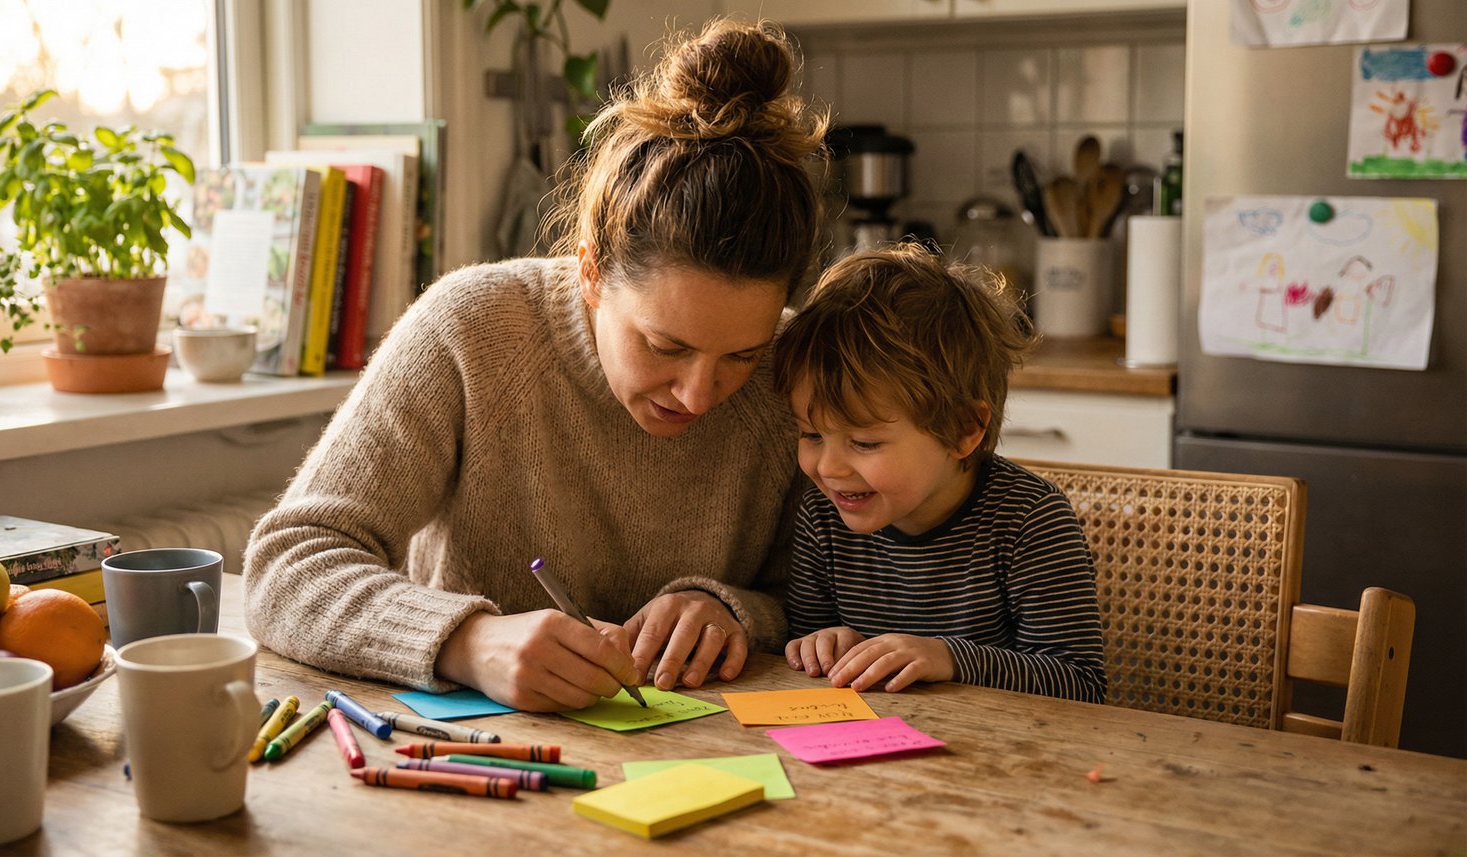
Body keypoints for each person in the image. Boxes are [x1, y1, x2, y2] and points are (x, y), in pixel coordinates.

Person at [242, 19, 828, 712]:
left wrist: (734, 610)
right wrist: (468, 642)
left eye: (741, 355)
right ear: (590, 270)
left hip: (715, 760)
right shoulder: (471, 330)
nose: (700, 393)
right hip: (474, 764)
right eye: (664, 346)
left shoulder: (796, 372)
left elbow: (846, 598)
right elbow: (286, 565)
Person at [772, 245, 1107, 703]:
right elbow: (806, 638)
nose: (827, 468)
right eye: (811, 435)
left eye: (864, 443)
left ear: (964, 430)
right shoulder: (824, 515)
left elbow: (1080, 684)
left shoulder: (1030, 520)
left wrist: (949, 658)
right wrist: (821, 643)